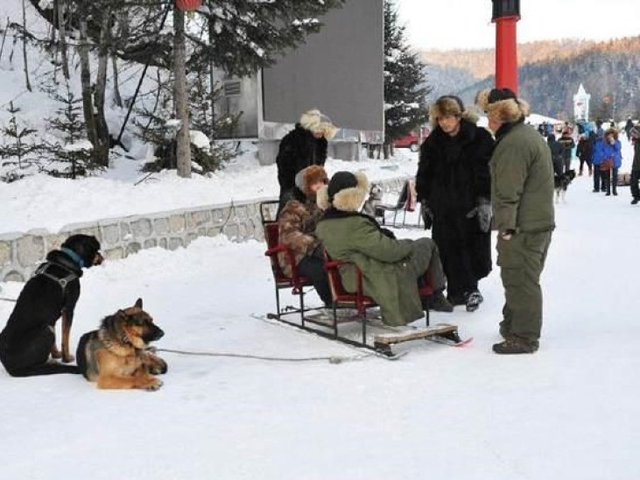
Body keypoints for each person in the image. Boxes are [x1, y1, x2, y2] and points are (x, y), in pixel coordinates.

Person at [315, 171, 453, 327]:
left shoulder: (324, 224)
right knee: (427, 244)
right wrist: (409, 244)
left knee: (414, 251)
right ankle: (435, 295)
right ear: (352, 196)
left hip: (352, 275)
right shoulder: (354, 224)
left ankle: (428, 292)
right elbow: (389, 252)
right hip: (367, 277)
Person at [476, 88, 555, 354]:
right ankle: (512, 324)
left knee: (520, 279)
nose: (487, 120)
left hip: (523, 225)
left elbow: (508, 190)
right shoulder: (525, 135)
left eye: (489, 114)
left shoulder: (513, 143)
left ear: (500, 114)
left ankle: (523, 336)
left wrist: (506, 227)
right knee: (519, 277)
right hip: (536, 222)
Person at [415, 95, 495, 312]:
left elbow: (487, 172)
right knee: (445, 250)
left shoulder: (479, 138)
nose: (444, 123)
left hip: (470, 205)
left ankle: (471, 289)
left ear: (459, 116)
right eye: (440, 119)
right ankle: (454, 291)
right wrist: (425, 200)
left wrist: (484, 201)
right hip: (442, 206)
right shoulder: (433, 142)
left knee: (472, 249)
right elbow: (424, 173)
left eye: (448, 117)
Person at [277, 165, 332, 306]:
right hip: (296, 256)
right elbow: (289, 235)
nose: (320, 186)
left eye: (322, 181)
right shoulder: (293, 207)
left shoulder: (325, 203)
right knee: (320, 269)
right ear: (305, 186)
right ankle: (331, 302)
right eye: (315, 183)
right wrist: (313, 245)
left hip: (323, 249)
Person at [275, 109, 337, 214]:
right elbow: (284, 169)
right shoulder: (293, 140)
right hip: (293, 191)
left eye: (323, 130)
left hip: (312, 191)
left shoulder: (320, 143)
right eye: (318, 129)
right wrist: (294, 188)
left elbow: (318, 169)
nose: (321, 132)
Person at [596, 128, 622, 196]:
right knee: (607, 176)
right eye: (609, 135)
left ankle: (614, 190)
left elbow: (618, 148)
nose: (610, 136)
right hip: (606, 161)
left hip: (615, 161)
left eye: (612, 135)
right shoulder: (603, 143)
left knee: (615, 175)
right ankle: (608, 190)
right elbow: (600, 151)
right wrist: (604, 157)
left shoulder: (617, 142)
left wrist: (614, 143)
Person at [630, 127, 640, 205]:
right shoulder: (636, 141)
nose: (632, 135)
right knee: (633, 182)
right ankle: (636, 197)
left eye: (634, 134)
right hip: (636, 165)